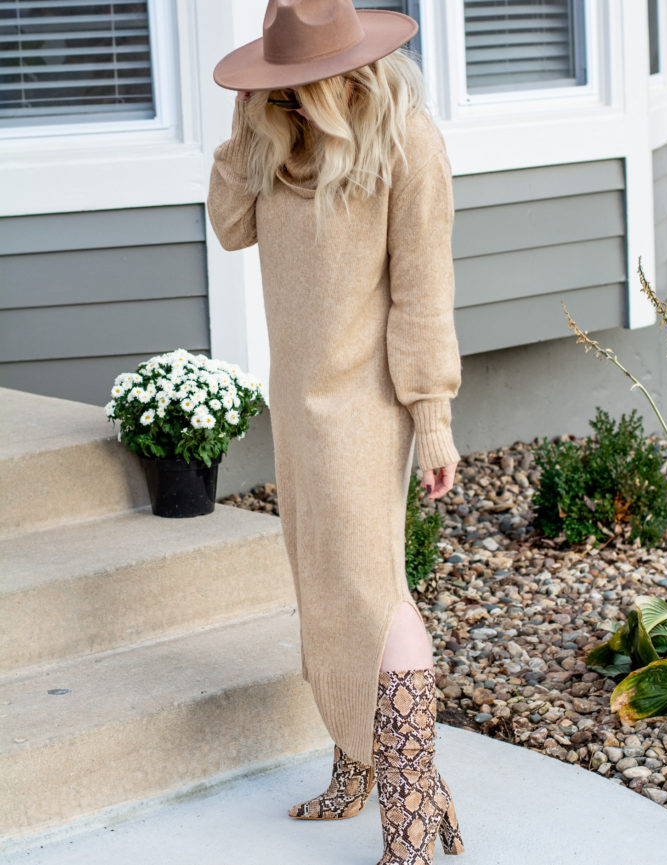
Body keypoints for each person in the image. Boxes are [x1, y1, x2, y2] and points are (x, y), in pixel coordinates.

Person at [207, 2, 465, 862]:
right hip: (299, 405)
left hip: (366, 407)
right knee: (320, 588)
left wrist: (432, 417)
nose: (278, 101)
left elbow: (425, 291)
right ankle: (361, 772)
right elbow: (230, 226)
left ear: (341, 76)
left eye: (287, 89)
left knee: (369, 592)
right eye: (268, 90)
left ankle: (414, 819)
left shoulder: (407, 145)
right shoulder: (280, 143)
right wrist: (244, 125)